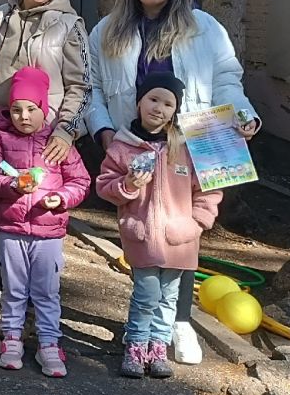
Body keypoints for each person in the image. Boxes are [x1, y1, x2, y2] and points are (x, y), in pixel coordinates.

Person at [85, 0, 257, 365]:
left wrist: (242, 114)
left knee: (184, 233)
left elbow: (227, 79)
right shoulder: (107, 30)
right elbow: (92, 88)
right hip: (135, 149)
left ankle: (178, 322)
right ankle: (144, 325)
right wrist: (104, 132)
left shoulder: (204, 27)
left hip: (190, 146)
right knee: (142, 233)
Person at [0, 0, 89, 332]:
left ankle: (36, 308)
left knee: (36, 228)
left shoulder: (70, 26)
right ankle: (7, 298)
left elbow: (82, 85)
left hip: (45, 147)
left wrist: (66, 131)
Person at [95, 73, 222, 378]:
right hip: (142, 237)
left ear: (175, 110)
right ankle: (136, 346)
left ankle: (158, 347)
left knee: (169, 298)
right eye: (153, 99)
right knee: (146, 295)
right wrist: (128, 185)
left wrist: (199, 221)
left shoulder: (186, 148)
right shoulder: (123, 147)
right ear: (139, 101)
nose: (159, 108)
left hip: (181, 239)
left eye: (168, 104)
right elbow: (104, 186)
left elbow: (209, 187)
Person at [0, 66, 92, 378]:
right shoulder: (0, 139)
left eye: (31, 109)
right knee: (13, 288)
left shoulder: (58, 143)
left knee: (46, 291)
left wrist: (61, 198)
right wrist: (11, 185)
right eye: (16, 110)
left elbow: (81, 182)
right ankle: (11, 337)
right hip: (10, 229)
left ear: (44, 109)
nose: (23, 117)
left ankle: (49, 342)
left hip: (48, 231)